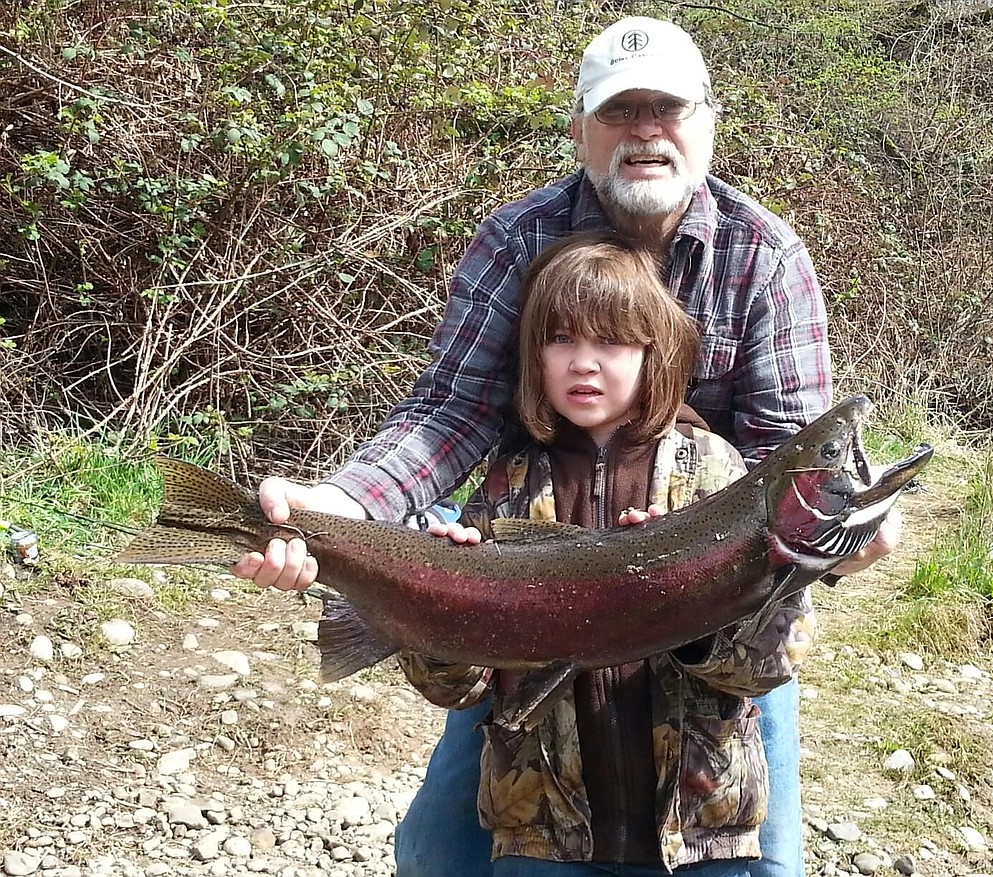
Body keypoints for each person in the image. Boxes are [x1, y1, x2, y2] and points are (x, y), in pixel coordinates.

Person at [232, 14, 901, 877]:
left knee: (759, 858)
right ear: (581, 131)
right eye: (621, 113)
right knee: (439, 855)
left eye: (668, 109)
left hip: (709, 619)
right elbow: (449, 413)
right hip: (526, 580)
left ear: (707, 122)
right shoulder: (518, 237)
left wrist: (843, 541)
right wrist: (345, 508)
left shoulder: (764, 253)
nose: (646, 131)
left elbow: (792, 460)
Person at [396, 230, 814, 875]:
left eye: (611, 342)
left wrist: (694, 617)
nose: (582, 363)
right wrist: (444, 612)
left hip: (702, 827)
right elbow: (456, 689)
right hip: (542, 833)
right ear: (532, 358)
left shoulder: (719, 477)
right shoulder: (506, 483)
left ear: (656, 356)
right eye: (560, 340)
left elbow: (772, 661)